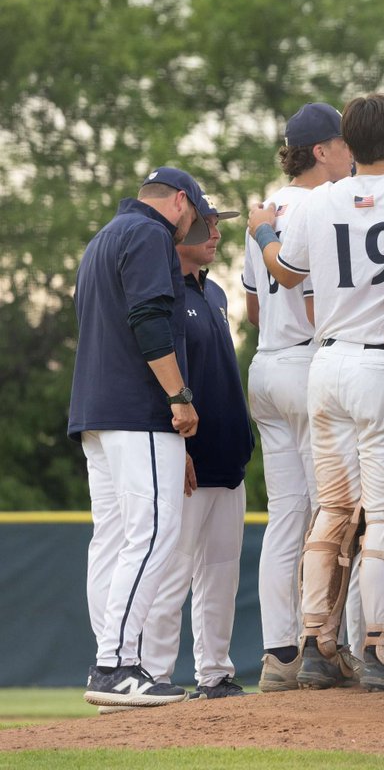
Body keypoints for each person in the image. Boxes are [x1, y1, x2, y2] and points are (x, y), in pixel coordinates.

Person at [251, 92, 384, 692]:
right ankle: (382, 649)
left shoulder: (317, 202)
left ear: (347, 141)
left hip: (328, 364)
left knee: (334, 510)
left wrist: (264, 231)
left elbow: (287, 273)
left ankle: (317, 645)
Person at [72, 167, 202, 708]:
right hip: (138, 409)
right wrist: (177, 395)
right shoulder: (150, 234)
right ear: (178, 200)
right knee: (153, 534)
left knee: (113, 539)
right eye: (194, 209)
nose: (192, 221)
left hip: (96, 412)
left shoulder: (104, 237)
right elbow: (148, 317)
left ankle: (110, 658)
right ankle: (117, 666)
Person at [243, 102, 355, 692]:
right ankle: (323, 644)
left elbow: (254, 305)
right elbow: (311, 302)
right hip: (307, 366)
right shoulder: (319, 205)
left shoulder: (268, 204)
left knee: (287, 516)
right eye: (342, 144)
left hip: (265, 365)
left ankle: (278, 652)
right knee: (331, 512)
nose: (350, 152)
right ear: (321, 151)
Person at [142, 192, 253, 700]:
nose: (215, 231)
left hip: (228, 458)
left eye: (217, 222)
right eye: (205, 222)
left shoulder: (215, 294)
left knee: (221, 575)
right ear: (180, 227)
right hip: (188, 459)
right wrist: (177, 448)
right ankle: (155, 675)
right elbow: (161, 381)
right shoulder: (164, 293)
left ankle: (215, 673)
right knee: (172, 575)